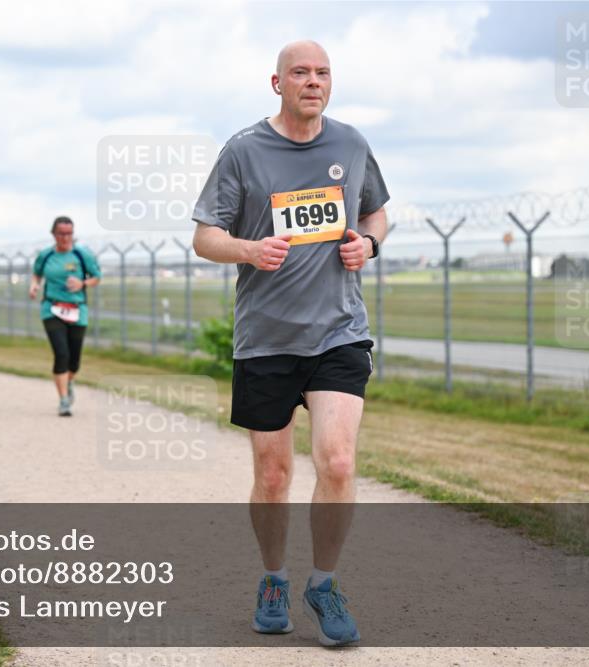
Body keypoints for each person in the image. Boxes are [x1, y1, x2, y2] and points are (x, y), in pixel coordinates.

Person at [191, 40, 389, 646]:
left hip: (338, 332)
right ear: (276, 84)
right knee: (274, 476)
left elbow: (378, 212)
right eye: (299, 73)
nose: (312, 81)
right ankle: (274, 579)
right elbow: (204, 237)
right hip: (267, 340)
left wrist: (370, 245)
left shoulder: (351, 144)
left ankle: (324, 585)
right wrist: (249, 249)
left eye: (322, 73)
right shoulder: (244, 150)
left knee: (337, 461)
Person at [29, 216, 102, 417]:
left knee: (74, 360)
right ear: (53, 234)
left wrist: (83, 284)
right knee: (61, 353)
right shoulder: (45, 255)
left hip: (77, 310)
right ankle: (63, 400)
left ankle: (69, 380)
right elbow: (36, 274)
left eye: (69, 233)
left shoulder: (82, 255)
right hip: (51, 308)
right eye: (61, 233)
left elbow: (97, 277)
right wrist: (34, 285)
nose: (65, 237)